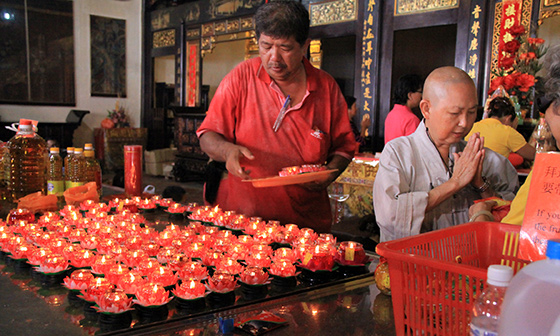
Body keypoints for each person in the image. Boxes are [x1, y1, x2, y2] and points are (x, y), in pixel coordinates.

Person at [196, 1, 355, 233]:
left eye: (285, 48)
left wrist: (329, 173)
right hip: (243, 220)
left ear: (304, 47)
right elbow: (207, 135)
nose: (274, 58)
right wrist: (227, 151)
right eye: (266, 46)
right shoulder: (240, 78)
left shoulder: (326, 88)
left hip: (304, 225)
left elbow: (344, 148)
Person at [373, 66, 519, 242]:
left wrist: (481, 185)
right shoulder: (399, 153)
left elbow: (515, 216)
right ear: (426, 109)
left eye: (472, 112)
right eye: (455, 113)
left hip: (470, 264)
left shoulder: (487, 158)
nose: (464, 123)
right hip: (415, 265)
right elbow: (390, 216)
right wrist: (455, 183)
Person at [470, 44, 560, 224]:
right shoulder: (508, 132)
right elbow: (531, 154)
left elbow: (509, 238)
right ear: (510, 118)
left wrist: (480, 214)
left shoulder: (550, 172)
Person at [465, 96, 535, 162]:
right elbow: (533, 155)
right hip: (493, 173)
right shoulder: (508, 131)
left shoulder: (472, 126)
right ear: (508, 118)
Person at [384, 74, 423, 144]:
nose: (422, 95)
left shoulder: (391, 114)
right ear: (410, 95)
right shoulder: (412, 119)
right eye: (420, 92)